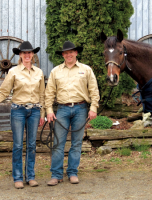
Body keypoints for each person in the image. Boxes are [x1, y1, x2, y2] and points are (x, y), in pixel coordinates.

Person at [0, 41, 45, 189]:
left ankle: (30, 176)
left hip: (35, 111)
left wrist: (42, 113)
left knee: (31, 145)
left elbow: (42, 94)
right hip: (18, 111)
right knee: (18, 145)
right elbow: (4, 92)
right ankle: (17, 177)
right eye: (24, 53)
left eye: (29, 52)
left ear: (33, 55)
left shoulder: (39, 72)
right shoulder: (13, 72)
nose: (27, 55)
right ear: (20, 55)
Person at [45, 41, 100, 186]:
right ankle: (56, 174)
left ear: (76, 53)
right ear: (63, 55)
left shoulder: (86, 70)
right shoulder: (55, 71)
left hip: (80, 109)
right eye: (66, 52)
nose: (69, 54)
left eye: (71, 52)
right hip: (62, 110)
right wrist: (49, 110)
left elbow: (94, 90)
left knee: (76, 143)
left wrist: (93, 107)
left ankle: (72, 172)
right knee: (58, 143)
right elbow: (49, 93)